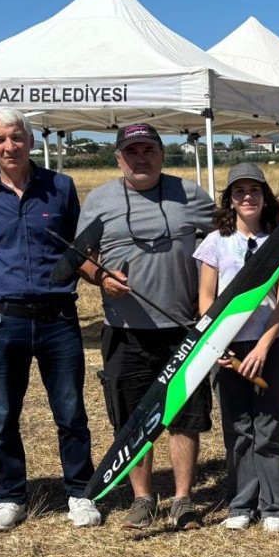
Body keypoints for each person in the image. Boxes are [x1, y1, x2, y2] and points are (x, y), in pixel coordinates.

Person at [0, 108, 98, 532]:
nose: (9, 147)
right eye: (0, 140)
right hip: (3, 321)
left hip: (58, 317)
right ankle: (9, 496)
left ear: (30, 141)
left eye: (17, 138)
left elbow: (76, 250)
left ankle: (80, 491)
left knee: (71, 410)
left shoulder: (60, 187)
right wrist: (2, 289)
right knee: (2, 415)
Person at [78, 122, 215, 531]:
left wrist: (209, 292)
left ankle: (183, 499)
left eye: (149, 150)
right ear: (119, 158)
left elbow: (225, 238)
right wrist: (100, 278)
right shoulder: (100, 199)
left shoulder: (191, 195)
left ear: (162, 153)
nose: (141, 158)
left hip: (184, 328)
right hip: (124, 330)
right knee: (133, 418)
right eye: (132, 151)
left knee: (184, 415)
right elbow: (81, 256)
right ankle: (142, 499)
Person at [195, 163, 279, 533]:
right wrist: (215, 342)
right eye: (239, 191)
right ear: (230, 200)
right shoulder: (215, 242)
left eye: (254, 190)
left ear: (265, 197)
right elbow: (206, 299)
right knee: (238, 426)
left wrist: (265, 346)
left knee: (268, 425)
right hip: (228, 346)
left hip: (268, 344)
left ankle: (274, 505)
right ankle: (241, 502)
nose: (247, 197)